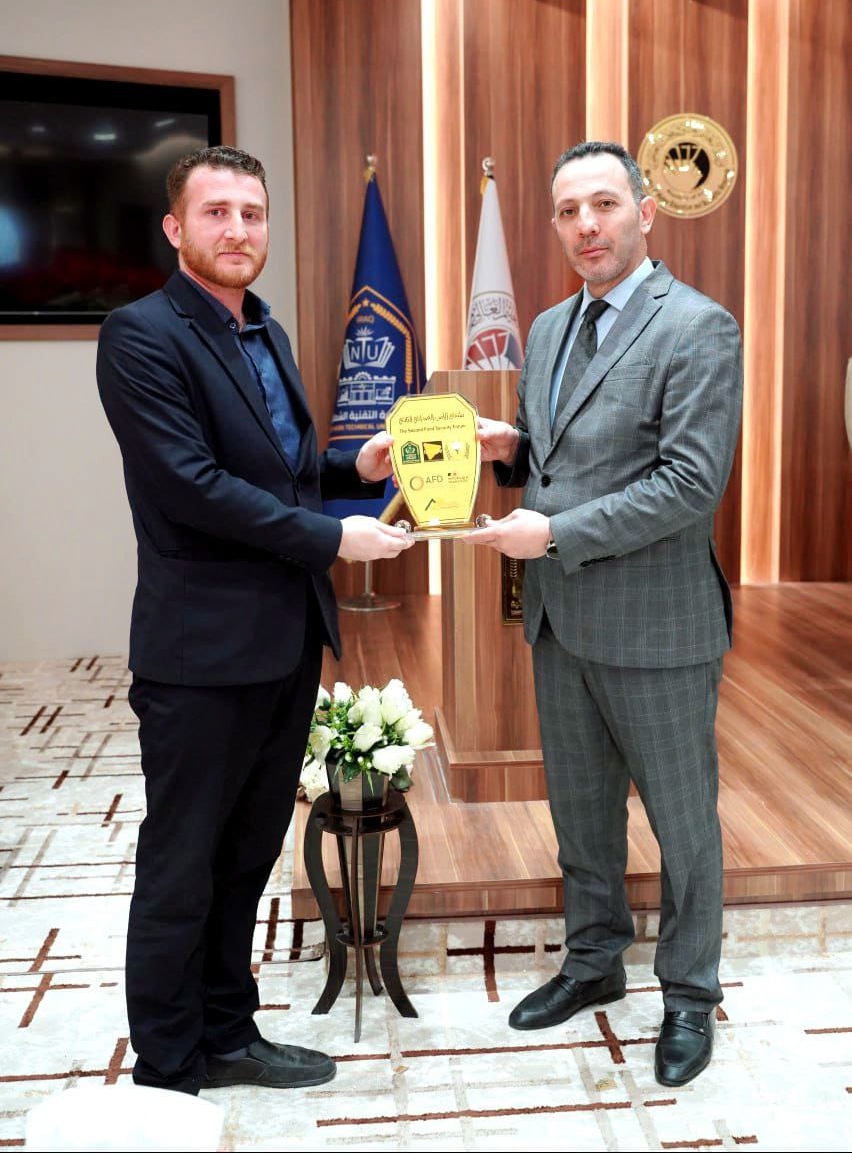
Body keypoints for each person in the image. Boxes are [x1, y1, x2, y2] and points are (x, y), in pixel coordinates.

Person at [96, 146, 410, 1095]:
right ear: (175, 227)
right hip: (200, 655)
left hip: (284, 642)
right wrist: (333, 539)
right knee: (181, 864)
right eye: (217, 211)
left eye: (253, 213)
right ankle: (167, 1064)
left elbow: (277, 471)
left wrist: (351, 469)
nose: (238, 230)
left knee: (245, 857)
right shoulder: (140, 335)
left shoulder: (264, 329)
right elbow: (193, 487)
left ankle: (228, 1034)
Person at [467, 140, 742, 1087]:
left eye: (604, 204)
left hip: (657, 624)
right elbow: (561, 455)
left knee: (682, 824)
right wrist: (510, 447)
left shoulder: (698, 328)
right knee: (581, 814)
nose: (586, 225)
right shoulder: (548, 328)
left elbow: (689, 484)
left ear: (645, 212)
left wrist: (551, 533)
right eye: (568, 211)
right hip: (562, 620)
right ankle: (593, 962)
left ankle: (690, 993)